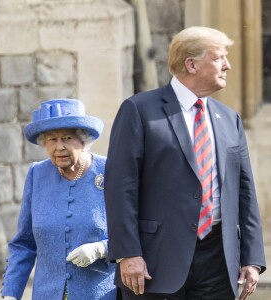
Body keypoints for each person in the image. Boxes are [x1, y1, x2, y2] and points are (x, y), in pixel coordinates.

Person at [104, 26, 266, 300]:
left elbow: (244, 193)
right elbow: (120, 188)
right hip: (155, 262)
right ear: (191, 64)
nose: (227, 65)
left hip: (218, 260)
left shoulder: (229, 118)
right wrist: (128, 253)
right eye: (218, 58)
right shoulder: (139, 110)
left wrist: (252, 258)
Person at [1, 99, 116, 299]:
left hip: (98, 294)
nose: (59, 147)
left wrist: (101, 249)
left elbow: (134, 232)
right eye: (52, 140)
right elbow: (24, 243)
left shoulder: (110, 171)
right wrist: (11, 293)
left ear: (83, 140)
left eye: (67, 138)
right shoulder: (37, 174)